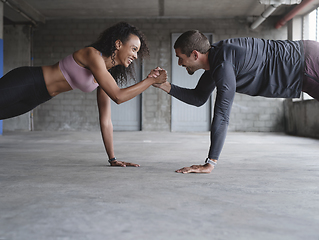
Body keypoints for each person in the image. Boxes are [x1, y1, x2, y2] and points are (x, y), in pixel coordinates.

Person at [0, 22, 167, 167]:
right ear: (118, 44)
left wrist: (113, 158)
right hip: (27, 81)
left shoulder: (106, 75)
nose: (135, 56)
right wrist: (150, 81)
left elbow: (106, 120)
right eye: (133, 49)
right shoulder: (92, 55)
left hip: (38, 97)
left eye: (137, 52)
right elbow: (119, 96)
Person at [153, 30, 319, 174]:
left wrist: (210, 163)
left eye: (180, 58)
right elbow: (198, 98)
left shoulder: (223, 64)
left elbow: (222, 115)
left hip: (307, 65)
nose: (179, 63)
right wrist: (164, 86)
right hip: (305, 60)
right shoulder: (216, 60)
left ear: (195, 54)